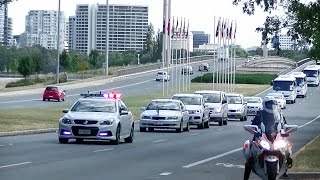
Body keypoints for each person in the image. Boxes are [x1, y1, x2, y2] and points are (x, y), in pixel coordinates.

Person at [243, 96, 291, 180]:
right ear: (264, 104)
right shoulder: (260, 114)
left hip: (275, 136)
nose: (270, 106)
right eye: (269, 104)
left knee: (288, 146)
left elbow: (284, 124)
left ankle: (286, 165)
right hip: (261, 136)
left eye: (272, 104)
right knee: (249, 152)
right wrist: (255, 128)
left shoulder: (279, 114)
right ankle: (246, 176)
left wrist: (285, 130)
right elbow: (253, 123)